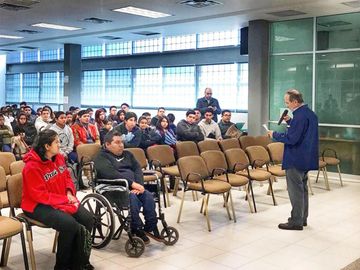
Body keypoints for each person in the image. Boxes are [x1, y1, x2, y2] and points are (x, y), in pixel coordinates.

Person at [21, 129, 94, 270]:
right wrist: (64, 199)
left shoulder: (59, 157)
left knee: (87, 218)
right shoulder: (31, 167)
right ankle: (62, 266)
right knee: (69, 224)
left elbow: (67, 176)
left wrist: (68, 192)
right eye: (56, 142)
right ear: (47, 146)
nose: (59, 145)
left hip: (60, 198)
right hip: (36, 205)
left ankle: (79, 261)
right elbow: (39, 195)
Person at [94, 132, 164, 244]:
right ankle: (136, 228)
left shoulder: (128, 154)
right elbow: (110, 174)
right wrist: (132, 184)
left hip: (132, 188)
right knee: (133, 198)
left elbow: (137, 170)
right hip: (114, 189)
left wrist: (139, 185)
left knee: (148, 196)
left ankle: (150, 226)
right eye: (117, 142)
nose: (121, 145)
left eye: (121, 142)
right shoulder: (101, 157)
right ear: (107, 144)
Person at [267, 89, 319, 231]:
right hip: (306, 157)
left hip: (295, 158)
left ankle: (295, 221)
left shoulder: (300, 116)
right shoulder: (310, 114)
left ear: (295, 102)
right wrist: (290, 122)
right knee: (302, 189)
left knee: (295, 191)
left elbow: (292, 139)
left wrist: (274, 134)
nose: (287, 105)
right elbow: (303, 133)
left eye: (287, 102)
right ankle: (302, 218)